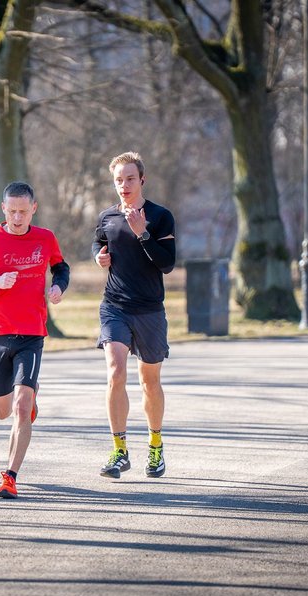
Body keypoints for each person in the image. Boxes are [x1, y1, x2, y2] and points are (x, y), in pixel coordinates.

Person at [0, 181, 70, 499]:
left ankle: (10, 476)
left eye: (24, 211)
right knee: (2, 411)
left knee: (22, 409)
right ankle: (28, 397)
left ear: (34, 208)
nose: (18, 218)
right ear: (3, 209)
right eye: (12, 211)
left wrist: (58, 287)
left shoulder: (45, 238)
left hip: (32, 333)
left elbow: (60, 268)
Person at [91, 151, 176, 479]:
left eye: (129, 178)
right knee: (115, 372)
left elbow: (167, 264)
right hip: (115, 306)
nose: (123, 185)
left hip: (150, 310)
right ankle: (119, 450)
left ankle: (155, 447)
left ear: (142, 180)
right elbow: (99, 245)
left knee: (149, 382)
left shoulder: (160, 216)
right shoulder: (107, 217)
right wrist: (99, 258)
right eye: (118, 180)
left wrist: (142, 233)